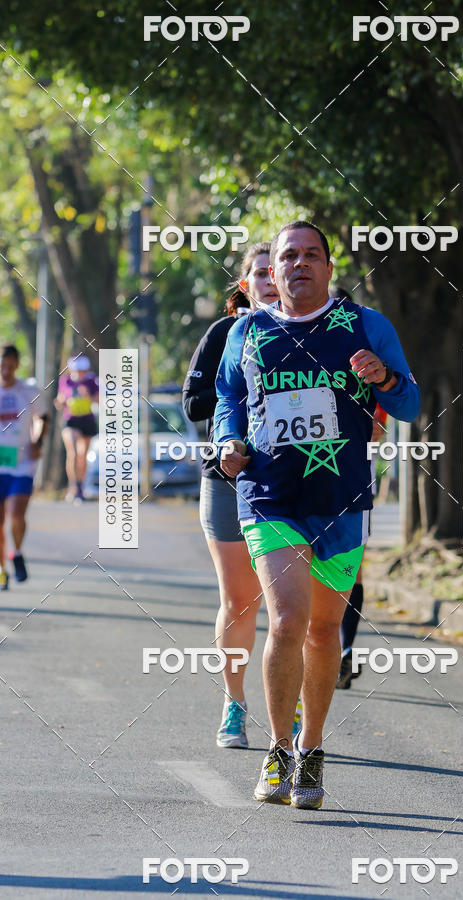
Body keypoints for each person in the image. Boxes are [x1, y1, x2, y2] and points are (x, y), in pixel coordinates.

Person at [215, 221, 419, 808]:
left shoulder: (363, 325)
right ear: (271, 272)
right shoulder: (247, 332)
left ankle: (313, 749)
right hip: (269, 495)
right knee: (286, 621)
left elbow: (411, 401)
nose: (300, 265)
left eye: (312, 256)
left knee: (326, 630)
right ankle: (278, 750)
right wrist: (228, 440)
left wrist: (382, 377)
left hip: (341, 499)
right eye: (288, 257)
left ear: (330, 268)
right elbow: (228, 398)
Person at [183, 242, 302, 749]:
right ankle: (234, 704)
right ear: (246, 284)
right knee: (239, 600)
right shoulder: (223, 334)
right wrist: (241, 395)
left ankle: (290, 707)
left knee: (290, 610)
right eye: (260, 274)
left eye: (274, 273)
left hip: (291, 484)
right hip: (227, 482)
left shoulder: (309, 333)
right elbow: (193, 405)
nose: (270, 282)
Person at [336, 404, 388, 689]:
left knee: (351, 568)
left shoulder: (367, 362)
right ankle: (338, 648)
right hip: (303, 479)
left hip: (355, 481)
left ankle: (344, 650)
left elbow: (377, 427)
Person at [0, 345, 48, 588]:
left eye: (10, 365)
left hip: (21, 464)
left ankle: (16, 552)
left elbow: (43, 417)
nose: (6, 370)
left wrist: (37, 441)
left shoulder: (28, 391)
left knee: (17, 515)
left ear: (17, 365)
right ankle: (1, 571)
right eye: (2, 365)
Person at [54, 355, 99, 502]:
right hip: (71, 420)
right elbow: (60, 401)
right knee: (72, 453)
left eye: (82, 370)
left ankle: (80, 485)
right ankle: (73, 487)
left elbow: (99, 400)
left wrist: (88, 395)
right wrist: (60, 402)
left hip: (87, 420)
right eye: (76, 370)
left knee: (82, 455)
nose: (79, 373)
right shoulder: (65, 381)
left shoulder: (91, 381)